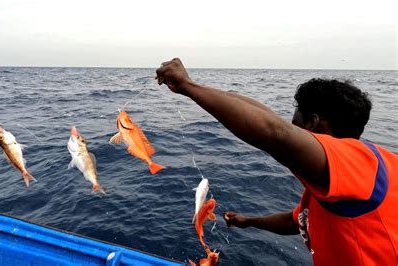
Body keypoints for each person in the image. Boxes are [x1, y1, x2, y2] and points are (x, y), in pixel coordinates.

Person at [156, 58, 397, 265]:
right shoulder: (350, 177)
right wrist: (248, 221)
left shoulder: (358, 162)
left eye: (295, 116)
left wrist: (189, 87)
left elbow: (276, 134)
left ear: (312, 123)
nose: (290, 124)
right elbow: (297, 221)